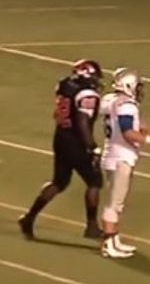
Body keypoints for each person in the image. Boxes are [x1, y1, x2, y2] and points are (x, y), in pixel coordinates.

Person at [18, 60, 104, 241]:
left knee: (59, 182)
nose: (96, 80)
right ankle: (91, 226)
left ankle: (29, 217)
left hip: (60, 136)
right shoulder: (87, 94)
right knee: (94, 181)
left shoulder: (65, 85)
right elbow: (82, 122)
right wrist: (92, 147)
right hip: (76, 141)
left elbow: (58, 113)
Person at [97, 68, 150, 259]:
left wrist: (139, 127)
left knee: (117, 203)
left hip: (112, 154)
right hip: (120, 157)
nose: (139, 90)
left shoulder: (110, 100)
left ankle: (114, 240)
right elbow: (127, 132)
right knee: (114, 204)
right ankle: (108, 244)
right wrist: (149, 140)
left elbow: (121, 124)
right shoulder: (126, 105)